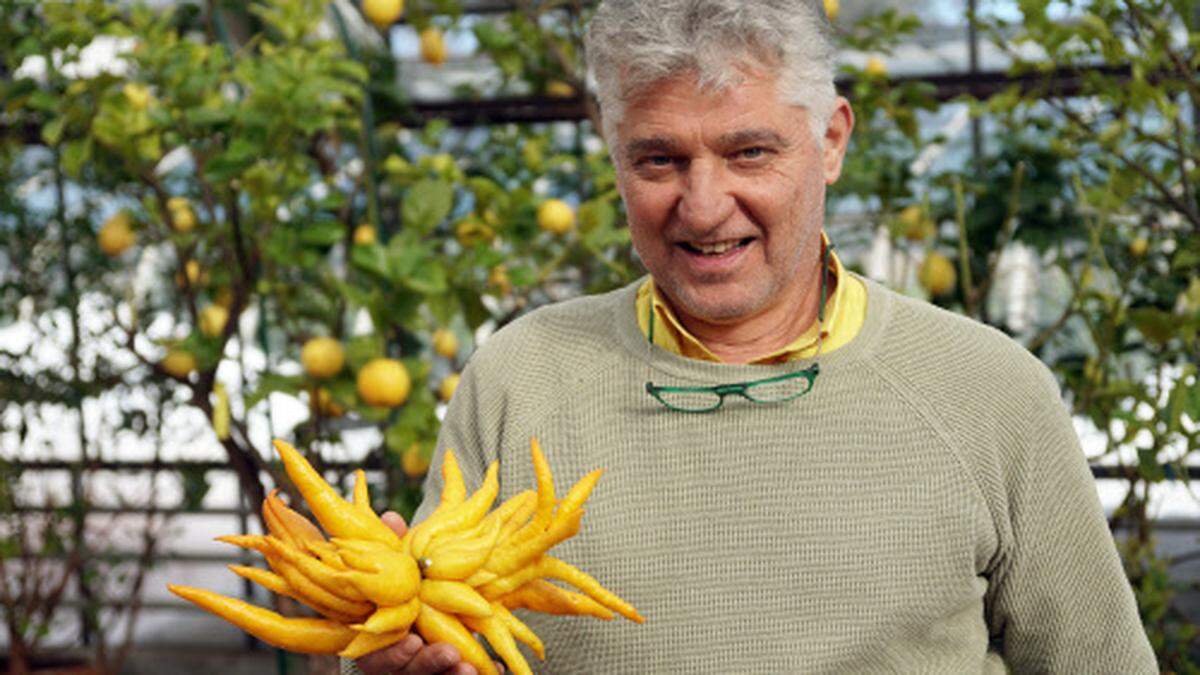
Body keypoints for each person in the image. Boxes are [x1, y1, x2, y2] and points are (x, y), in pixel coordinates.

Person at [347, 0, 1157, 672]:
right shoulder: (521, 378)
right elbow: (425, 637)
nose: (702, 207)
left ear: (832, 140)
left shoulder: (987, 390)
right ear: (614, 155)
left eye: (749, 152)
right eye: (659, 160)